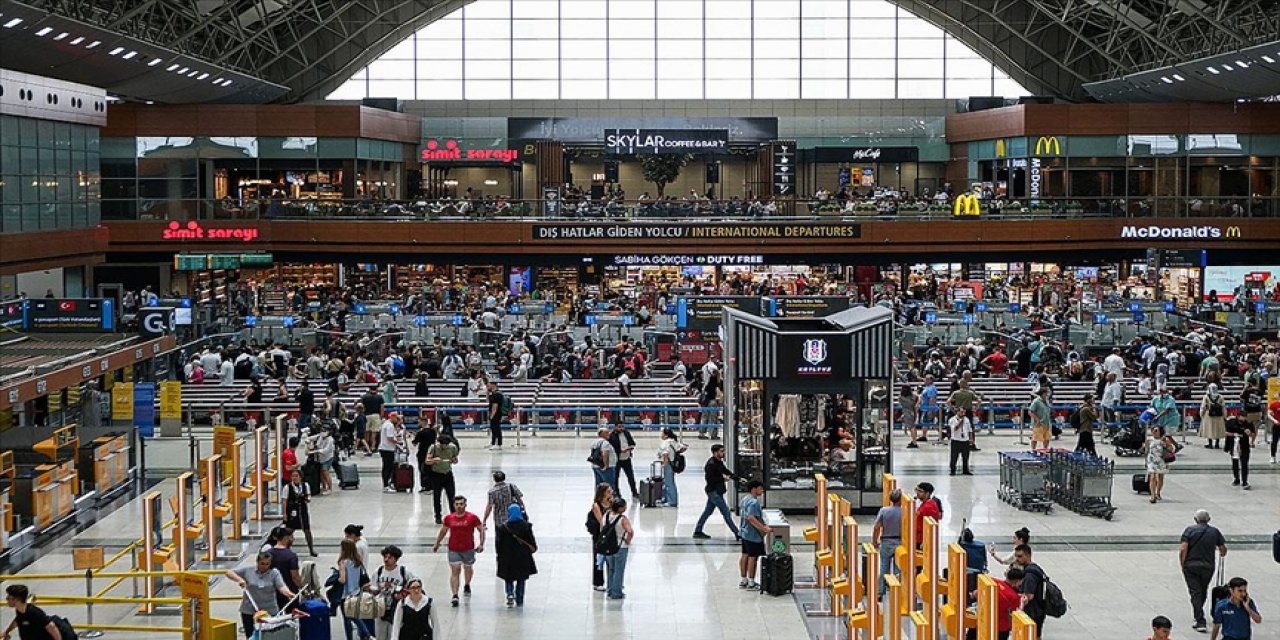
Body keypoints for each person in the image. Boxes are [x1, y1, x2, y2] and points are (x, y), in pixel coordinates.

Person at [225, 553, 295, 640]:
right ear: (257, 562)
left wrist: (288, 593)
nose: (264, 566)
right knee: (250, 636)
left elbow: (281, 586)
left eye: (267, 564)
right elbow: (229, 572)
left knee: (270, 636)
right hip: (249, 610)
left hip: (269, 610)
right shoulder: (248, 570)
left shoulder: (274, 573)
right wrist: (240, 580)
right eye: (262, 563)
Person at [432, 496, 485, 608]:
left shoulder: (472, 518)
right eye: (457, 504)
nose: (459, 506)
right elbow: (443, 531)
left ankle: (467, 584)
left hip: (468, 548)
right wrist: (437, 543)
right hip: (453, 549)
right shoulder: (449, 518)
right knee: (455, 571)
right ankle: (455, 595)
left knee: (468, 568)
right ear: (454, 505)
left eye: (461, 504)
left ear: (465, 505)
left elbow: (481, 530)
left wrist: (481, 544)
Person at [1180, 509, 1228, 632]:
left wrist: (1182, 564)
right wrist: (1221, 554)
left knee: (1195, 591)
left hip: (1191, 565)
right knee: (1203, 589)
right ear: (1209, 519)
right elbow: (1223, 549)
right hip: (1208, 566)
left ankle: (1200, 620)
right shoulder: (1214, 531)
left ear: (1195, 519)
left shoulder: (1189, 530)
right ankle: (1198, 613)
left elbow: (1183, 549)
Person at [692, 444, 741, 540]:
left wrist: (736, 478)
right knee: (726, 512)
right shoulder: (711, 464)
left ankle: (698, 530)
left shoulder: (718, 462)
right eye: (721, 451)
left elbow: (725, 471)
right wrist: (723, 479)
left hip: (716, 491)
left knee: (707, 512)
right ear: (715, 452)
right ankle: (737, 533)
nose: (723, 453)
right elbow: (710, 479)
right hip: (714, 492)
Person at [496, 503, 538, 608]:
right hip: (522, 557)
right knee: (521, 578)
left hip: (507, 556)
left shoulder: (503, 528)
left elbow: (499, 544)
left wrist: (499, 556)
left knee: (508, 577)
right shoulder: (526, 526)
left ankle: (510, 593)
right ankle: (519, 599)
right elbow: (531, 541)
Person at [372, 546, 415, 640]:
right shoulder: (378, 572)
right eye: (385, 557)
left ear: (396, 559)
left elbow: (414, 589)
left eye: (390, 557)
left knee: (395, 635)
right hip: (381, 609)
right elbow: (374, 589)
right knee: (380, 636)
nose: (386, 560)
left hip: (397, 609)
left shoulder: (404, 572)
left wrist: (403, 595)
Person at [336, 539, 374, 640]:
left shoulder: (343, 562)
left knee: (347, 619)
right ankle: (368, 635)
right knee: (354, 615)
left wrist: (336, 579)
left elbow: (343, 580)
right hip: (356, 592)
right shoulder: (357, 562)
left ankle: (354, 637)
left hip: (345, 594)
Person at [738, 480, 771, 590]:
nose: (762, 490)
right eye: (760, 488)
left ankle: (744, 580)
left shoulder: (744, 500)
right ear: (754, 489)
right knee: (753, 557)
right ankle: (751, 582)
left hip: (744, 532)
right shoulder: (754, 502)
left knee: (745, 554)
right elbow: (751, 518)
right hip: (753, 535)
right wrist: (763, 528)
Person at [598, 497, 633, 600]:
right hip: (620, 547)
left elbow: (602, 528)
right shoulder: (623, 519)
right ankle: (616, 592)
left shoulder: (606, 515)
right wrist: (628, 540)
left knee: (610, 569)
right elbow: (630, 531)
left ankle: (609, 590)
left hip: (608, 547)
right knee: (619, 570)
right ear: (621, 508)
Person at [871, 488, 903, 598]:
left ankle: (880, 592)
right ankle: (896, 592)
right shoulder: (904, 511)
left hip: (886, 541)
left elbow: (876, 527)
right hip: (900, 542)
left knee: (883, 568)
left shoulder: (884, 511)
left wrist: (874, 541)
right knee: (897, 570)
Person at [1011, 544, 1048, 638]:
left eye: (1020, 556)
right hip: (1039, 610)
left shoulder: (1029, 574)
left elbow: (1029, 596)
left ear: (1028, 556)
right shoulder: (1035, 568)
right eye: (1016, 556)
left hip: (1033, 612)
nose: (1017, 559)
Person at [424, 434, 460, 525]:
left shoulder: (452, 448)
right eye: (443, 445)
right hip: (436, 475)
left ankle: (454, 515)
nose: (445, 447)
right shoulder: (433, 448)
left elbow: (455, 459)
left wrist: (454, 460)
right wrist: (434, 460)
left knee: (451, 496)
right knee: (437, 497)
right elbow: (427, 461)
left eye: (446, 445)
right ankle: (438, 516)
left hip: (448, 474)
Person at [283, 469, 318, 557]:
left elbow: (308, 498)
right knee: (289, 531)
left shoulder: (305, 485)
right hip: (292, 511)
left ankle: (311, 549)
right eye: (293, 476)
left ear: (300, 477)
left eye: (296, 476)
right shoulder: (287, 487)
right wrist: (284, 514)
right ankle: (286, 549)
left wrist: (305, 498)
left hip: (302, 510)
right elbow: (284, 501)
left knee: (307, 530)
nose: (294, 478)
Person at [267, 527, 302, 610]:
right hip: (289, 592)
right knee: (291, 618)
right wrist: (303, 588)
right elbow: (295, 577)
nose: (293, 539)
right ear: (286, 538)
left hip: (272, 592)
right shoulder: (291, 556)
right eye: (292, 537)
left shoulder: (267, 553)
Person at [1144, 425, 1174, 503]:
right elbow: (1146, 451)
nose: (1154, 432)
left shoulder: (1164, 440)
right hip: (1152, 461)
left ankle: (1158, 492)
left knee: (1160, 477)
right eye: (1153, 430)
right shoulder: (1149, 440)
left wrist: (1165, 446)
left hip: (1161, 460)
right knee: (1152, 477)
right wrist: (1146, 461)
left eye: (1156, 430)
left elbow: (1171, 449)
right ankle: (1152, 495)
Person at [656, 428, 686, 507]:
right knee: (667, 482)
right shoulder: (673, 441)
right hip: (673, 464)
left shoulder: (665, 443)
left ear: (666, 435)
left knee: (669, 483)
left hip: (668, 464)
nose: (661, 435)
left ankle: (672, 501)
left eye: (662, 433)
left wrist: (664, 463)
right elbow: (683, 447)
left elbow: (665, 454)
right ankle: (666, 498)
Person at [609, 422, 639, 498]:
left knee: (630, 476)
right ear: (615, 427)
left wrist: (630, 448)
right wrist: (620, 450)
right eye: (619, 427)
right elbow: (611, 447)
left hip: (627, 458)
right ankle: (616, 493)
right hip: (617, 460)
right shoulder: (612, 435)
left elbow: (632, 443)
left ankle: (634, 492)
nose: (621, 428)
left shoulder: (626, 433)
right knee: (615, 477)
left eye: (622, 427)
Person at [377, 410, 403, 493]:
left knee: (386, 467)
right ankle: (386, 485)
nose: (397, 420)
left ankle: (386, 484)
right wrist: (398, 442)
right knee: (387, 468)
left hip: (384, 448)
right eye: (396, 418)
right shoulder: (390, 426)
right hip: (387, 449)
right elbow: (390, 438)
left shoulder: (386, 424)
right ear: (392, 417)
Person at [589, 427, 618, 493]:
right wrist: (605, 465)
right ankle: (609, 500)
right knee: (609, 486)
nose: (609, 434)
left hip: (596, 466)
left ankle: (598, 499)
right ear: (601, 434)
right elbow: (605, 453)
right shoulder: (605, 443)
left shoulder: (595, 442)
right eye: (607, 433)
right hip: (606, 468)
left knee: (599, 485)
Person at [412, 418, 437, 494]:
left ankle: (425, 486)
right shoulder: (433, 431)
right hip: (431, 452)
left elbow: (414, 443)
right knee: (430, 470)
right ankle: (431, 486)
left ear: (423, 422)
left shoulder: (421, 432)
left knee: (422, 470)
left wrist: (413, 436)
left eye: (419, 422)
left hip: (422, 453)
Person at [948, 408, 975, 475]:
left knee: (966, 457)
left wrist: (971, 439)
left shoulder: (967, 419)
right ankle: (953, 470)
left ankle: (965, 470)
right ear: (957, 412)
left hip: (965, 440)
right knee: (954, 457)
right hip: (956, 440)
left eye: (964, 412)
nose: (963, 414)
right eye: (961, 412)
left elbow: (970, 430)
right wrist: (960, 421)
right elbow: (955, 428)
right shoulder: (952, 420)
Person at [1201, 384, 1227, 449]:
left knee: (1209, 429)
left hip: (1209, 415)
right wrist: (1225, 416)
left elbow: (1203, 406)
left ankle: (1210, 444)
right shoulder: (1220, 397)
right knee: (1218, 429)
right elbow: (1223, 407)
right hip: (1219, 415)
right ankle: (1217, 444)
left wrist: (1201, 414)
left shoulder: (1206, 396)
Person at [899, 384, 920, 449]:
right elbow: (919, 398)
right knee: (913, 427)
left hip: (907, 412)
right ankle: (914, 440)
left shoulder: (901, 397)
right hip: (913, 411)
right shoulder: (913, 395)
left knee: (911, 428)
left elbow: (901, 403)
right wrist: (916, 404)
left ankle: (914, 443)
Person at [486, 381, 505, 450]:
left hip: (496, 414)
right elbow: (489, 401)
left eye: (489, 385)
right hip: (494, 413)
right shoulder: (492, 393)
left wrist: (492, 415)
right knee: (493, 429)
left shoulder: (497, 394)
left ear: (493, 385)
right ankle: (493, 443)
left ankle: (499, 444)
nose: (488, 387)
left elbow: (495, 406)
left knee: (496, 429)